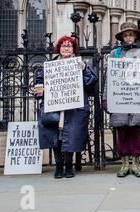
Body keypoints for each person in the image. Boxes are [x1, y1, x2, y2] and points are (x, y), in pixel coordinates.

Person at [34, 36, 98, 179]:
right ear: (59, 49)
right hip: (54, 107)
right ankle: (58, 165)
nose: (66, 48)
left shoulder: (80, 64)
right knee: (55, 136)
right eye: (63, 46)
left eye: (69, 46)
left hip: (74, 108)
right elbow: (39, 84)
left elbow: (91, 82)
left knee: (71, 135)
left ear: (73, 49)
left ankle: (69, 165)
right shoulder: (51, 65)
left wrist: (85, 69)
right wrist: (40, 91)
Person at [104, 22, 140, 178]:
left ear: (135, 36)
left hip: (136, 98)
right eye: (126, 34)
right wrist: (106, 99)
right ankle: (124, 163)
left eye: (131, 34)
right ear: (122, 37)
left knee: (136, 132)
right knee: (122, 132)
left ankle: (135, 163)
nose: (128, 37)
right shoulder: (114, 54)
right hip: (119, 98)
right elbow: (108, 79)